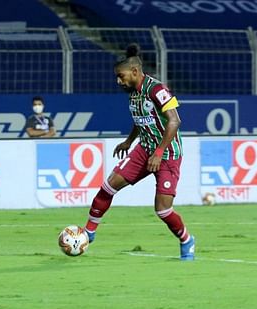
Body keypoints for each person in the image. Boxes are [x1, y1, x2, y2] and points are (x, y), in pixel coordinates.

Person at [83, 43, 195, 260]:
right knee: (108, 186)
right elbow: (142, 120)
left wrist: (159, 152)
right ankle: (89, 232)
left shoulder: (157, 89)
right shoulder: (133, 94)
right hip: (144, 149)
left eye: (121, 76)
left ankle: (186, 239)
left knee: (162, 210)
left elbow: (174, 121)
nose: (118, 81)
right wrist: (128, 141)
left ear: (134, 71)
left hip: (168, 153)